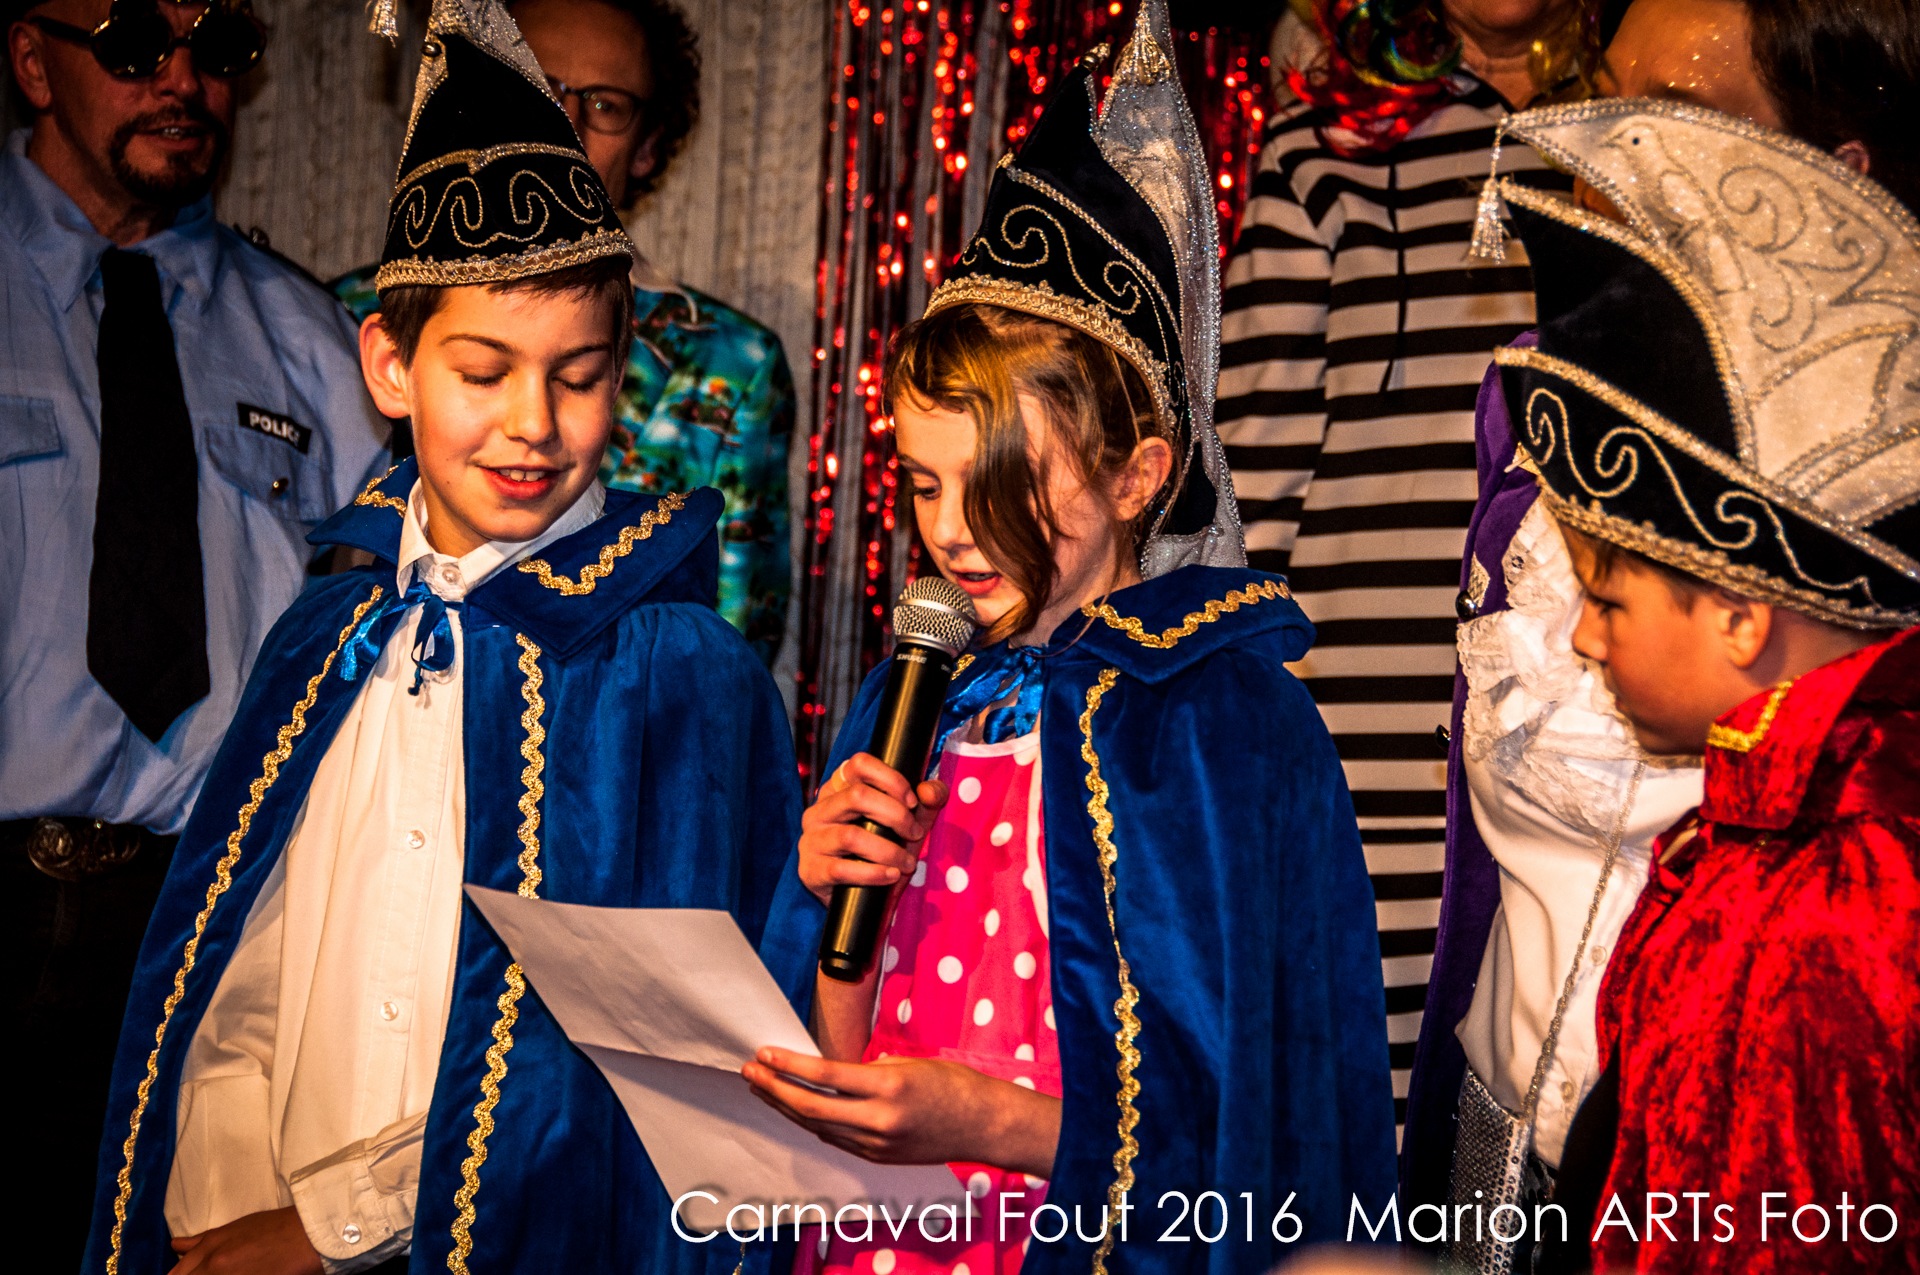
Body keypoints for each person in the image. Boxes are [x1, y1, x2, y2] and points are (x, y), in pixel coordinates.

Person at [82, 0, 799, 1270]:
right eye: (482, 371)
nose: (533, 422)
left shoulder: (675, 674)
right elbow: (244, 977)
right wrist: (217, 1214)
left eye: (578, 375)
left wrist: (329, 1228)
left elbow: (636, 1070)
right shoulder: (326, 634)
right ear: (389, 366)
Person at [748, 8, 1398, 1272]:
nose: (952, 531)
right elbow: (833, 1050)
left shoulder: (1222, 722)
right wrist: (828, 901)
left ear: (1139, 473)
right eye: (922, 484)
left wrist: (986, 1122)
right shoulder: (915, 697)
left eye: (1006, 484)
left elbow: (1258, 1125)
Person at [1402, 2, 1920, 1265]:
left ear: (1831, 170)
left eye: (1671, 116)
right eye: (1606, 98)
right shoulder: (1541, 399)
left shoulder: (1885, 478)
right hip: (1488, 1124)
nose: (1607, 158)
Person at [1, 0, 389, 1263]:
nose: (182, 79)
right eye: (131, 45)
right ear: (32, 62)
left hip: (194, 933)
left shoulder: (316, 345)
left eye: (217, 47)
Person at [1213, 0, 1607, 1120]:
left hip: (1608, 714)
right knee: (1374, 1095)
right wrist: (1235, 732)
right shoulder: (1327, 144)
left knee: (1560, 1088)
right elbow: (1248, 474)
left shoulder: (1655, 124)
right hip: (1372, 737)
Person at [335, 0, 795, 664]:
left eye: (605, 104)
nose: (565, 122)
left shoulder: (733, 361)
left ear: (649, 144)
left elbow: (733, 641)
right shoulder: (344, 311)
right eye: (536, 87)